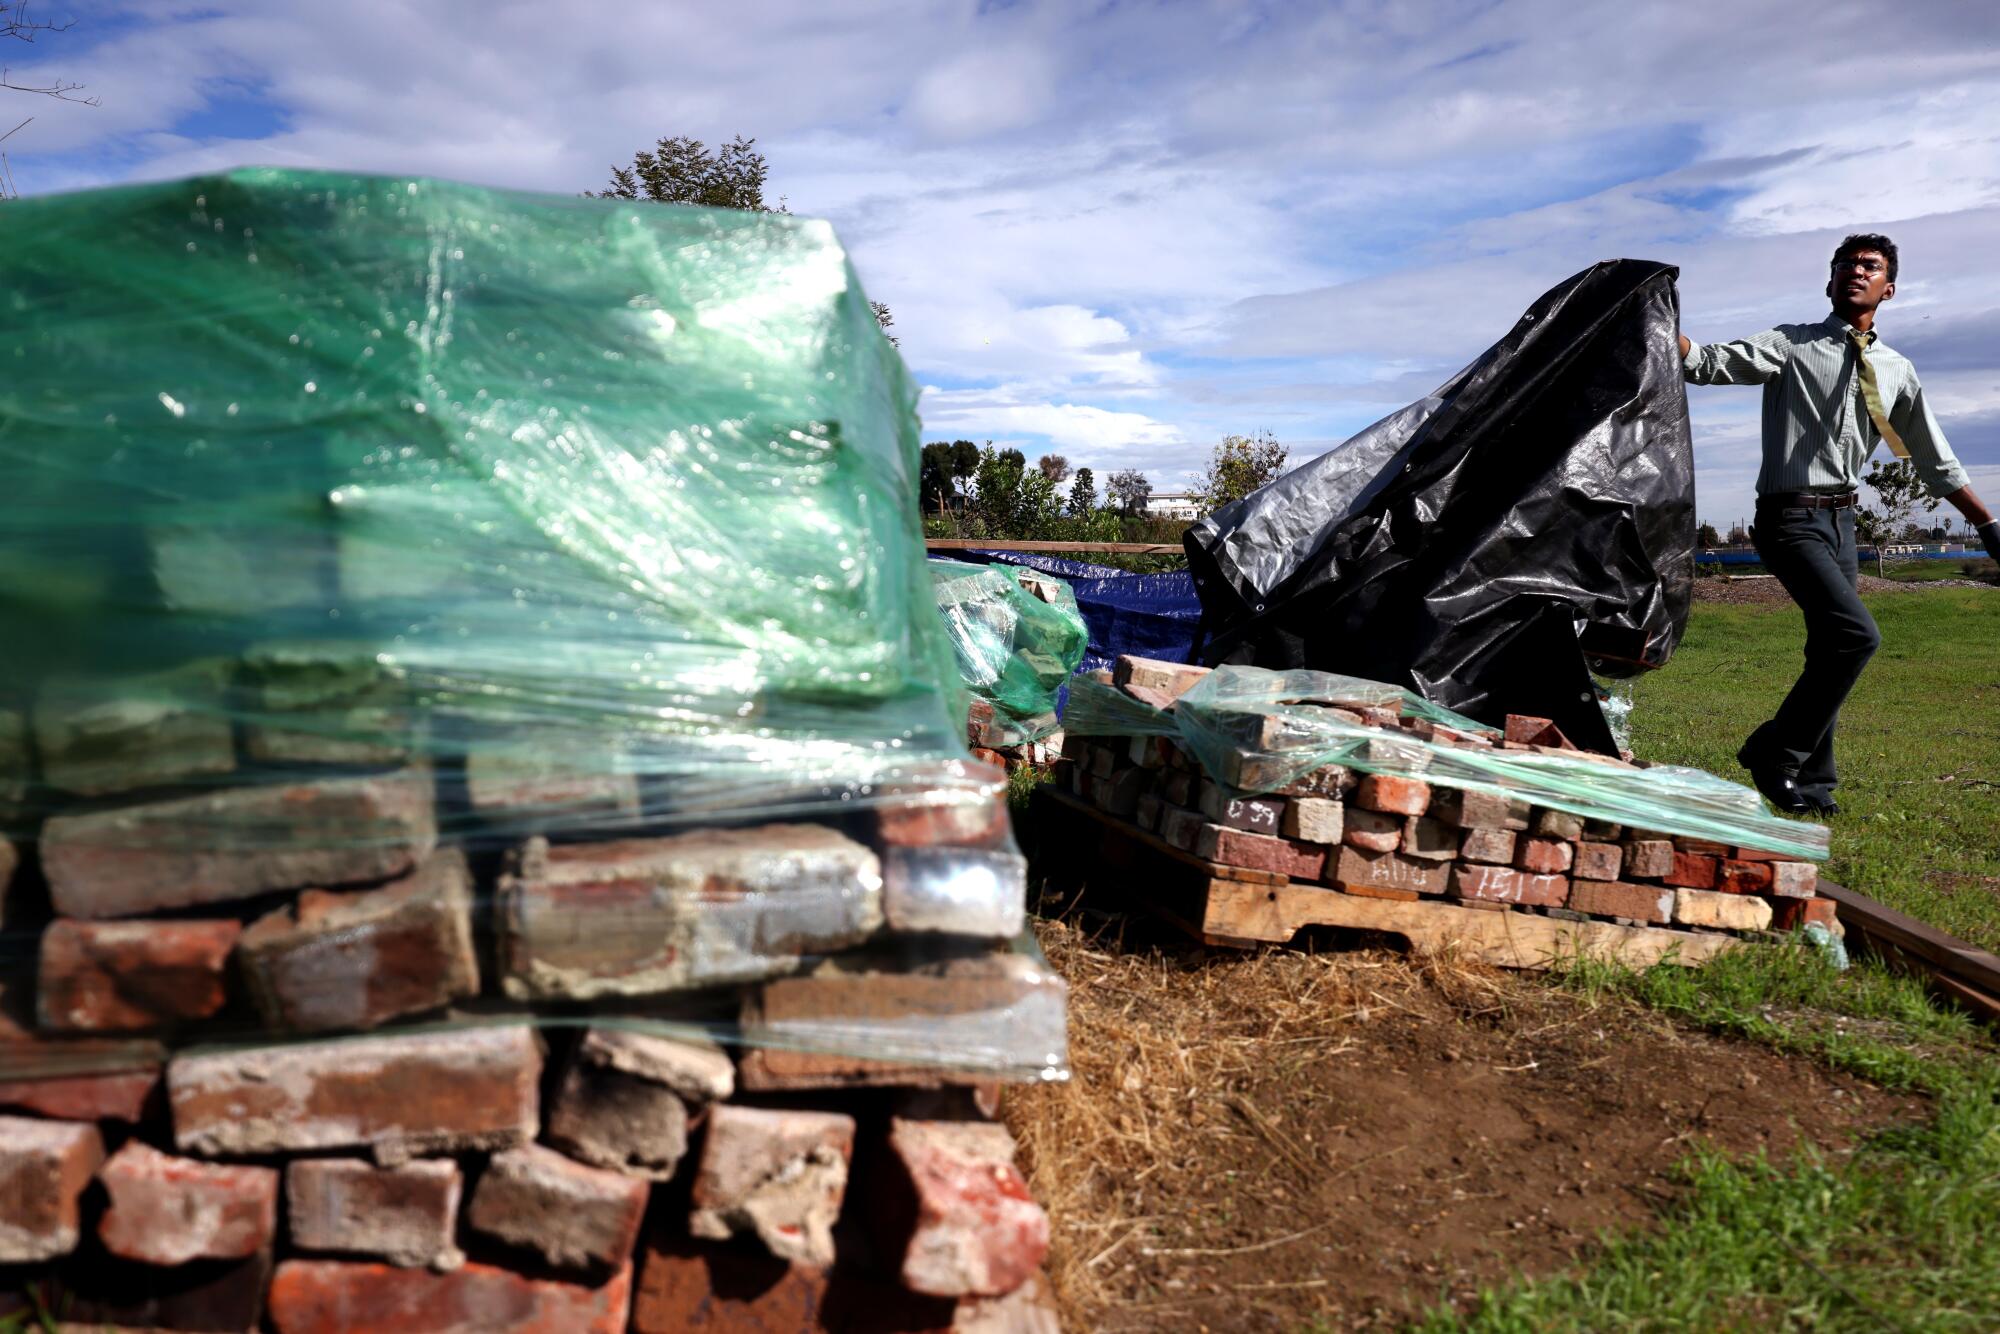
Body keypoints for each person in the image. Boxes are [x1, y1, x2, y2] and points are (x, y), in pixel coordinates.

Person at [1680, 233, 2000, 815]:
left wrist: (1987, 523)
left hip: (1844, 521)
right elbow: (1708, 363)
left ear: (1888, 289)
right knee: (1857, 636)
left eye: (1869, 266)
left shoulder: (1896, 369)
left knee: (1829, 644)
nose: (1856, 271)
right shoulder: (1790, 344)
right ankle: (1775, 752)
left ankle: (1814, 781)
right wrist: (1657, 324)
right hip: (1790, 517)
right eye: (1845, 264)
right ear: (1829, 281)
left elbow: (1933, 457)